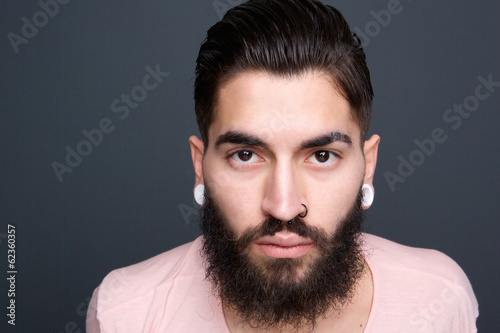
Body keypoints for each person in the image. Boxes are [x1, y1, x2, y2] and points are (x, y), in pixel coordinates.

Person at [86, 0, 478, 332]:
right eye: (245, 155)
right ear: (200, 165)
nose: (284, 207)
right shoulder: (126, 314)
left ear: (368, 165)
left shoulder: (440, 298)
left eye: (322, 156)